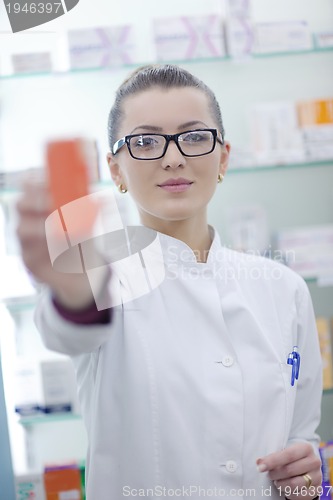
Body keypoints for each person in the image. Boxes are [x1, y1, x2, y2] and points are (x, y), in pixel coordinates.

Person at [17, 64, 323, 500]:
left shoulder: (283, 288)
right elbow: (69, 322)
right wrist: (71, 290)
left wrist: (306, 479)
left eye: (195, 136)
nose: (173, 157)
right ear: (116, 170)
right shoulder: (101, 277)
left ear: (223, 156)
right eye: (144, 141)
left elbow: (303, 441)